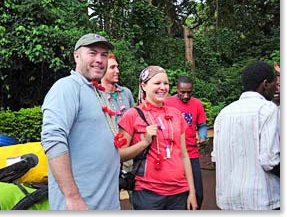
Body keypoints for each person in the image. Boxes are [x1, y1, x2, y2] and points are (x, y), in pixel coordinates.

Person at [41, 33, 120, 210]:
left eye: (104, 54)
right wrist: (72, 197)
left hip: (106, 203)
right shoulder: (66, 87)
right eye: (92, 53)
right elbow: (52, 139)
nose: (99, 60)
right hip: (80, 205)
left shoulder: (97, 91)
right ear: (77, 56)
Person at [117, 65, 198, 210]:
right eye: (157, 83)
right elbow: (118, 155)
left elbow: (184, 155)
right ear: (144, 86)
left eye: (165, 83)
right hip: (148, 193)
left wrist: (192, 191)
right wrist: (145, 142)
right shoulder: (132, 114)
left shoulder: (176, 114)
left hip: (179, 193)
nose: (163, 87)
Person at [211, 60, 280, 210]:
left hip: (228, 201)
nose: (276, 87)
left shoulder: (224, 114)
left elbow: (216, 160)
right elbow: (270, 161)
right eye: (275, 83)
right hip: (261, 200)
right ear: (265, 84)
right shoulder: (267, 110)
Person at [165, 76, 207, 209]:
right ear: (176, 89)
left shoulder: (197, 104)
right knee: (177, 192)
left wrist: (202, 136)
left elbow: (202, 125)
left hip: (191, 153)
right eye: (182, 92)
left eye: (189, 92)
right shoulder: (167, 102)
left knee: (198, 193)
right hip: (173, 153)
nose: (186, 95)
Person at [100, 53, 135, 204]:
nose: (117, 71)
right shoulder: (96, 94)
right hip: (107, 158)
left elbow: (135, 119)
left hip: (130, 156)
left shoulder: (125, 93)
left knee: (137, 197)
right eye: (113, 67)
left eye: (117, 67)